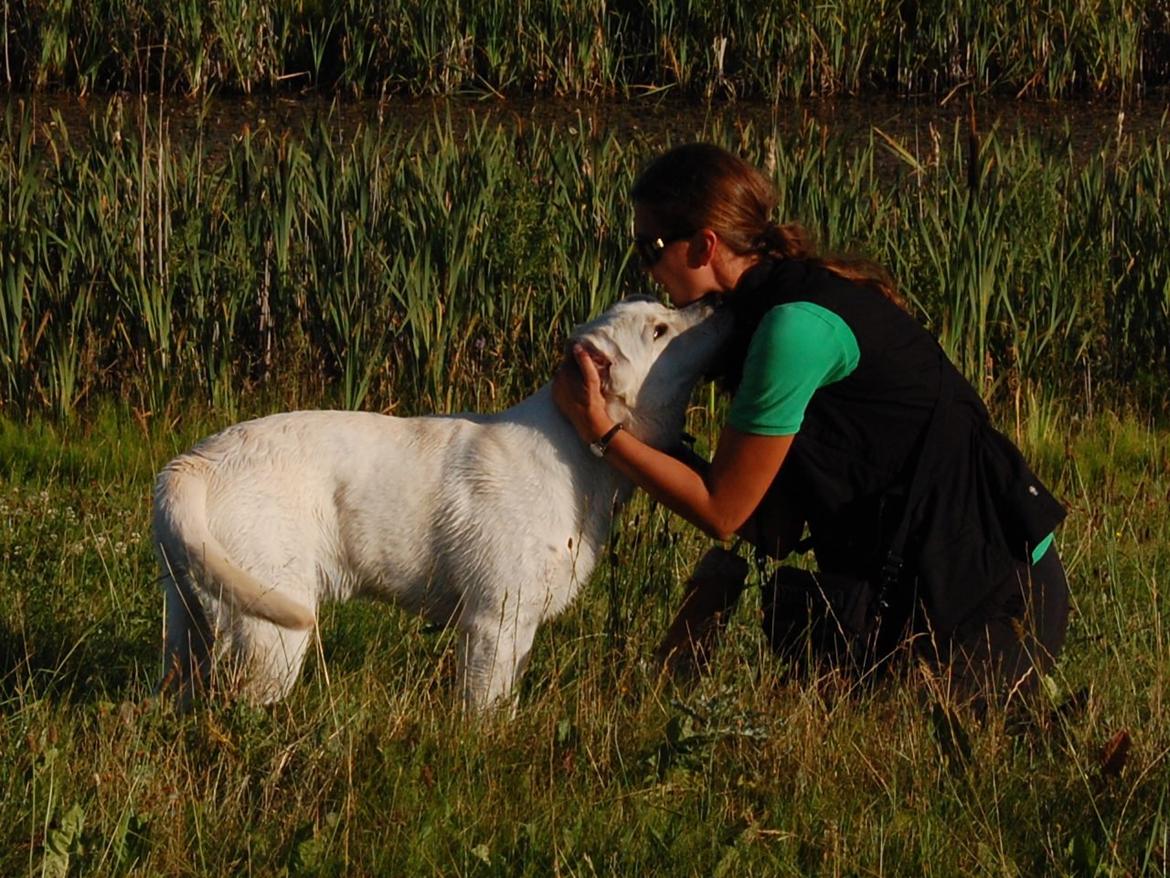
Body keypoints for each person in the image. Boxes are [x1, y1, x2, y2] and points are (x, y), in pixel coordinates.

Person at [552, 142, 1069, 708]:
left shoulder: (790, 330)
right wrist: (657, 442)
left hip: (989, 596)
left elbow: (723, 511)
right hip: (935, 580)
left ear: (704, 245)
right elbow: (772, 527)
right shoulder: (772, 306)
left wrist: (603, 433)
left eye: (650, 247)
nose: (644, 266)